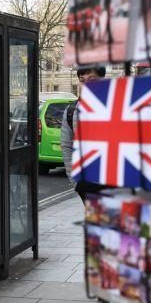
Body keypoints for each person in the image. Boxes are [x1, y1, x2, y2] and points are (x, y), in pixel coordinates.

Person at [61, 65, 107, 203]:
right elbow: (66, 146)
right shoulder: (71, 111)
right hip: (86, 182)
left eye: (92, 79)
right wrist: (75, 182)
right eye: (82, 80)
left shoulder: (116, 106)